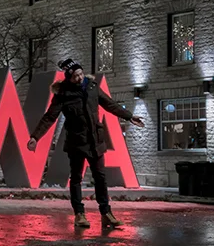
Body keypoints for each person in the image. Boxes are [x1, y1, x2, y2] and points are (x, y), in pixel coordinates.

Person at [26, 59, 145, 228]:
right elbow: (49, 117)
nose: (80, 78)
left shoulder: (92, 88)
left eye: (81, 74)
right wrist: (35, 137)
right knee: (76, 178)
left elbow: (110, 104)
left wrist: (128, 116)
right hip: (76, 142)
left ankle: (106, 213)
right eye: (75, 76)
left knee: (100, 178)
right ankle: (79, 214)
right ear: (69, 78)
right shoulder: (63, 95)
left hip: (95, 141)